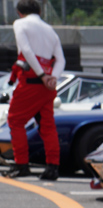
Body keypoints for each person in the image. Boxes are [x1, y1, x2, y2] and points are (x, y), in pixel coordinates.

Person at [4, 0, 64, 180]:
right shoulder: (50, 30)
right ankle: (53, 167)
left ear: (19, 12)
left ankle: (21, 164)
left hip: (30, 81)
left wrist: (41, 75)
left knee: (15, 121)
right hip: (47, 87)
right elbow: (61, 59)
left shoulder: (20, 24)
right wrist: (53, 77)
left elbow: (26, 51)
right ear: (40, 11)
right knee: (47, 126)